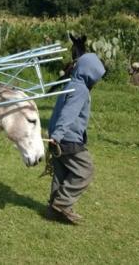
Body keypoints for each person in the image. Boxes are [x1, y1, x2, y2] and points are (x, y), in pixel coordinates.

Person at [46, 53, 105, 224]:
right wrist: (58, 135)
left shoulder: (70, 84)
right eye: (96, 77)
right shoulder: (81, 89)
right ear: (89, 73)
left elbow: (59, 112)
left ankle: (53, 211)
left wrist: (54, 135)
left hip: (57, 137)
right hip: (67, 139)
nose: (96, 81)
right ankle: (62, 203)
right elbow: (67, 114)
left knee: (61, 174)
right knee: (85, 170)